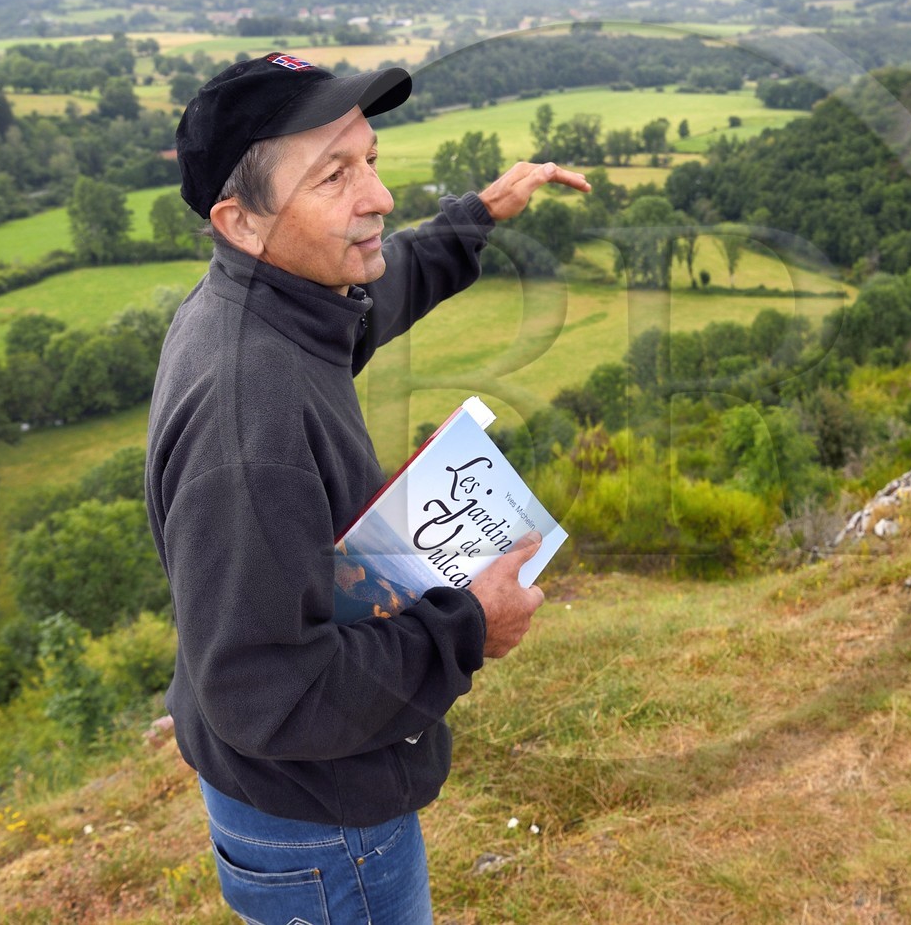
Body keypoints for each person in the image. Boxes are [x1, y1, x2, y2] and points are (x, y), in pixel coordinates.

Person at [145, 52, 588, 924]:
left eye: (372, 161)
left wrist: (478, 216)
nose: (379, 197)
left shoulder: (272, 299)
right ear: (241, 220)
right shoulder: (251, 418)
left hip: (296, 809)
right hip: (320, 833)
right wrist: (471, 628)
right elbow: (269, 692)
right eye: (333, 175)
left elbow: (367, 307)